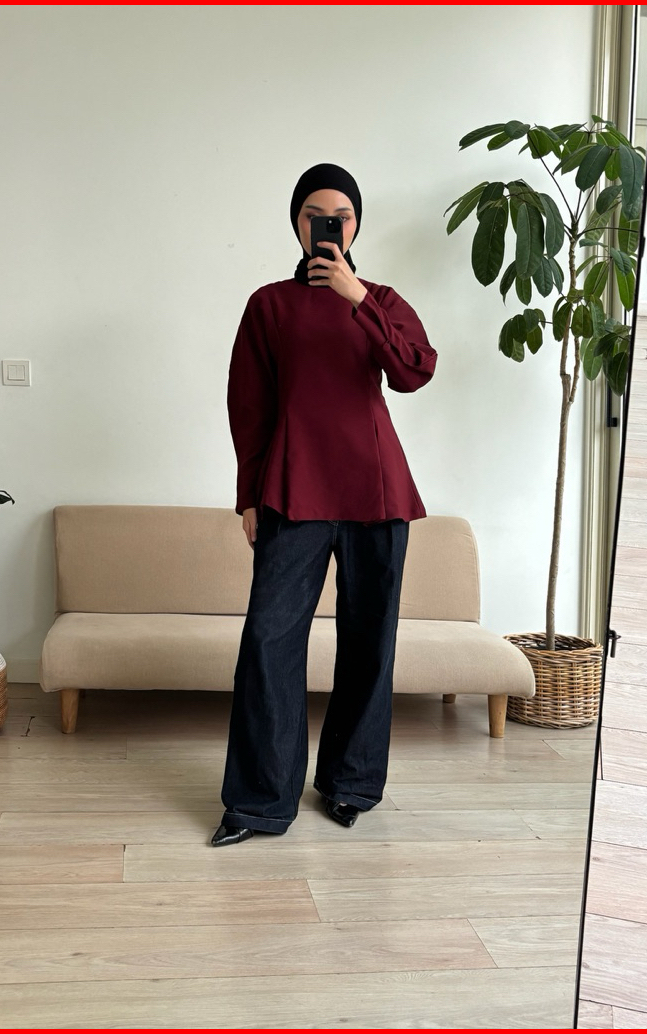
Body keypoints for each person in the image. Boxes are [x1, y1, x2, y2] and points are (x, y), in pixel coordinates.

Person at [212, 163, 438, 847]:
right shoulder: (269, 305)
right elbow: (249, 407)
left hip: (377, 492)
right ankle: (258, 802)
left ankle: (351, 784)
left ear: (356, 225)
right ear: (297, 223)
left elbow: (414, 371)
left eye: (340, 215)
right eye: (314, 215)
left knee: (370, 642)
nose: (327, 225)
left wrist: (356, 297)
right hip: (293, 489)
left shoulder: (382, 299)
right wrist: (249, 496)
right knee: (268, 642)